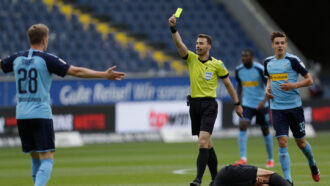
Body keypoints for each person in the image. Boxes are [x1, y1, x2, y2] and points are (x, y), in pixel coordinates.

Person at [0, 24, 126, 186]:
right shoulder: (47, 59)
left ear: (29, 39)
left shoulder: (16, 58)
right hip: (40, 113)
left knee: (35, 158)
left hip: (22, 115)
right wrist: (104, 74)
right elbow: (77, 72)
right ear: (45, 40)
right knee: (47, 158)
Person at [168, 15, 244, 186]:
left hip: (209, 105)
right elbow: (180, 45)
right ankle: (217, 179)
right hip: (194, 105)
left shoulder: (217, 64)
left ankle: (198, 179)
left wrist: (237, 104)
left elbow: (229, 86)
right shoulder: (192, 59)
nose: (197, 45)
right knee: (207, 144)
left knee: (202, 142)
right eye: (196, 43)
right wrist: (173, 28)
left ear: (208, 46)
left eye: (201, 43)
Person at [264, 31, 320, 184]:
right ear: (273, 45)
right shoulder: (268, 62)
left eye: (282, 43)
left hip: (294, 108)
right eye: (277, 43)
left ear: (286, 44)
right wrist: (267, 88)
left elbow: (310, 80)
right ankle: (288, 180)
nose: (280, 45)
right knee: (282, 141)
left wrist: (294, 85)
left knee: (301, 143)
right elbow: (269, 78)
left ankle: (312, 164)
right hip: (277, 109)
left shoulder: (293, 60)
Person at [235, 49, 274, 167]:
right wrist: (239, 101)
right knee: (243, 125)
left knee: (265, 130)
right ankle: (243, 158)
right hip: (247, 104)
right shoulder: (239, 70)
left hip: (262, 104)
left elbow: (269, 86)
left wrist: (264, 101)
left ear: (252, 57)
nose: (244, 58)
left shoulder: (260, 69)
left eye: (246, 56)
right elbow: (240, 85)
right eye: (242, 56)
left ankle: (270, 159)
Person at [214, 164, 291, 186]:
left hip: (229, 174)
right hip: (229, 174)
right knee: (268, 177)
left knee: (269, 177)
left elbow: (271, 176)